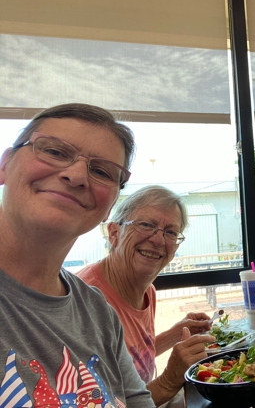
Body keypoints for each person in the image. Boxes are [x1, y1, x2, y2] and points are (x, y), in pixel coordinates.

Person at [0, 103, 154, 406]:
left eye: (101, 171)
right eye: (55, 152)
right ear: (4, 165)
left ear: (109, 205)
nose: (76, 176)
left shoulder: (96, 312)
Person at [78, 185, 215, 406]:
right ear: (114, 233)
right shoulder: (86, 303)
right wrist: (170, 379)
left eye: (170, 232)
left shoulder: (146, 289)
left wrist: (174, 335)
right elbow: (106, 402)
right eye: (145, 225)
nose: (158, 240)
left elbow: (129, 358)